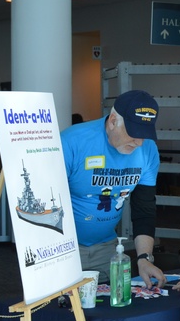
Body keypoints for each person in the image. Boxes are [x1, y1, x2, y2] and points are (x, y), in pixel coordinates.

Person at [61, 90, 166, 287]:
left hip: (107, 248)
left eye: (145, 134)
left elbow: (144, 209)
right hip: (64, 249)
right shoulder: (72, 142)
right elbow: (49, 200)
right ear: (112, 121)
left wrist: (144, 258)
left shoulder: (148, 150)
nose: (139, 142)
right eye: (134, 133)